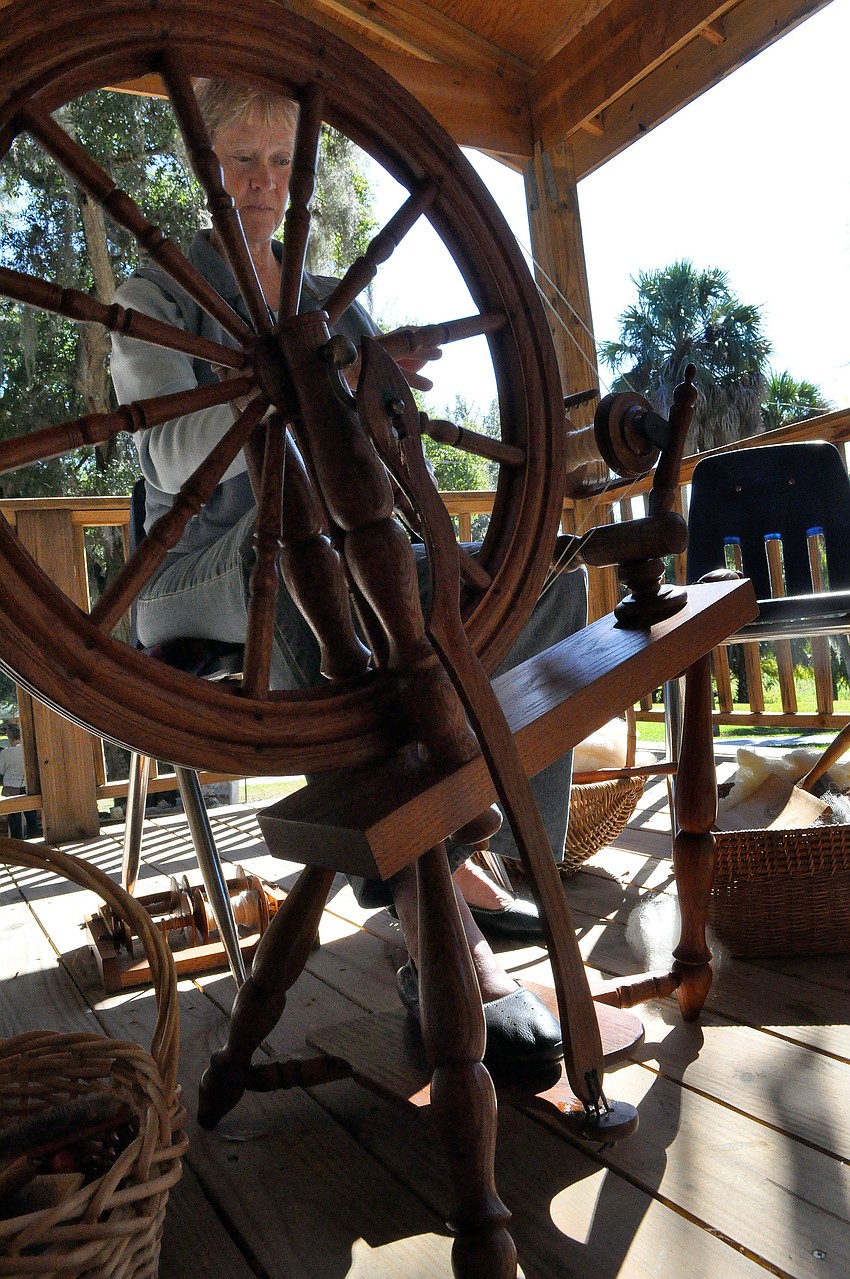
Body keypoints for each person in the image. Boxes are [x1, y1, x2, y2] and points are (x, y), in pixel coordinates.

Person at [110, 78, 587, 1074]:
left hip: (332, 560)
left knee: (536, 583)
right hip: (200, 572)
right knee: (303, 572)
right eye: (239, 160)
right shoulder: (155, 292)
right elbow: (169, 458)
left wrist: (372, 381)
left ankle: (482, 850)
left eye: (280, 163)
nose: (260, 183)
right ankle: (438, 934)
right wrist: (300, 386)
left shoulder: (329, 297)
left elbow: (374, 456)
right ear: (204, 171)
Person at [0, 722, 41, 839]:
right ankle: (35, 840)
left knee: (14, 820)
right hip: (27, 786)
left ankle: (17, 842)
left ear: (9, 738)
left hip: (10, 788)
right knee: (31, 818)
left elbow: (1, 771)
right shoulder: (27, 750)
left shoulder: (5, 753)